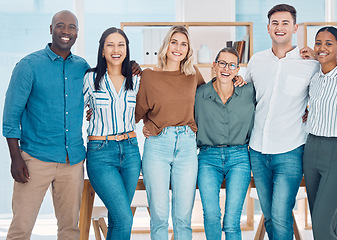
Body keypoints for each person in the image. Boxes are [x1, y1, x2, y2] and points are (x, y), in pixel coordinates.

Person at [2, 10, 89, 239]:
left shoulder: (82, 67)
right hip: (35, 160)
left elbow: (101, 90)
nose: (66, 31)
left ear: (77, 33)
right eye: (60, 26)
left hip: (72, 161)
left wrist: (132, 68)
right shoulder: (28, 66)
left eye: (71, 27)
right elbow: (11, 116)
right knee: (21, 228)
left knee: (70, 229)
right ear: (51, 29)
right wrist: (15, 158)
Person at [244, 4, 319, 240]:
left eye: (285, 23)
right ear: (268, 28)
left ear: (295, 28)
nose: (280, 27)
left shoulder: (311, 64)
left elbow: (329, 96)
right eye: (275, 23)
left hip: (290, 151)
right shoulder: (256, 61)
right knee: (268, 216)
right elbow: (240, 95)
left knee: (281, 215)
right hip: (257, 149)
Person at [135, 25, 205, 240]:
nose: (178, 48)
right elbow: (134, 112)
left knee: (183, 218)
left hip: (186, 146)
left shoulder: (194, 76)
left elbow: (212, 102)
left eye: (184, 44)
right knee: (159, 217)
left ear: (188, 49)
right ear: (166, 45)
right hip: (157, 145)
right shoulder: (148, 76)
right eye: (174, 42)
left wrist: (236, 80)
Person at [83, 27, 141, 240]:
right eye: (110, 45)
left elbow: (149, 108)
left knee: (118, 219)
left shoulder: (136, 80)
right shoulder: (89, 79)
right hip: (100, 154)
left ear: (126, 49)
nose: (116, 50)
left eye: (121, 45)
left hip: (131, 152)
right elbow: (70, 111)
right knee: (125, 217)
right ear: (102, 50)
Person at [195, 47, 255, 240]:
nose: (226, 68)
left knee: (231, 221)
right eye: (222, 63)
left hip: (239, 157)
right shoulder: (199, 95)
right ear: (214, 66)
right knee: (211, 216)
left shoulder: (248, 92)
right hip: (207, 158)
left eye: (232, 65)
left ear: (238, 70)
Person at [301, 27, 337, 240]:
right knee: (321, 222)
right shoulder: (314, 78)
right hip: (311, 148)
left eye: (329, 44)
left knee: (322, 224)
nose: (322, 48)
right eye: (318, 43)